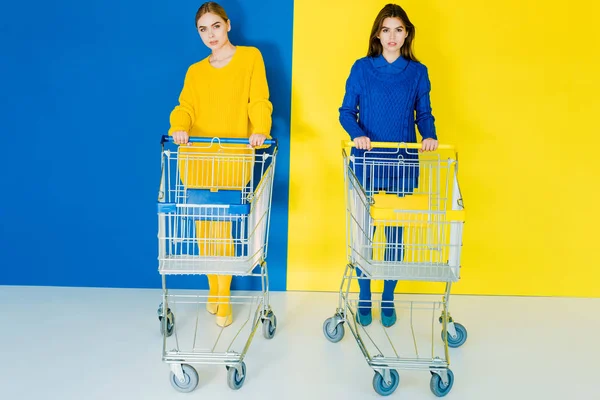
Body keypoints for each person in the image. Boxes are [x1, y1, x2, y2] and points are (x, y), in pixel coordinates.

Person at [169, 1, 273, 327]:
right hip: (198, 157)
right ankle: (214, 290)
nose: (210, 34)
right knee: (205, 230)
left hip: (232, 157)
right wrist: (179, 127)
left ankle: (223, 297)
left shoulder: (250, 58)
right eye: (203, 29)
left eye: (215, 26)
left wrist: (260, 130)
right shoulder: (195, 71)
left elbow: (258, 100)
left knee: (224, 230)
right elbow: (185, 107)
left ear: (227, 24)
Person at [339, 3, 438, 328]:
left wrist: (430, 136)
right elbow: (345, 112)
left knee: (395, 234)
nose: (392, 36)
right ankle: (365, 294)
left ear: (406, 33)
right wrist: (358, 135)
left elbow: (423, 114)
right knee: (365, 232)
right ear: (377, 34)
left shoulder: (417, 72)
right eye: (386, 29)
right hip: (367, 162)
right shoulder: (362, 68)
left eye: (398, 29)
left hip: (402, 163)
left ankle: (388, 295)